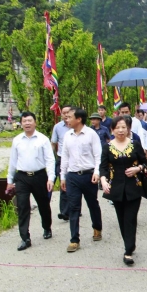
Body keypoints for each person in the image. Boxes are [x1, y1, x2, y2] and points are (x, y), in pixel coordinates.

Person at [100, 116, 147, 266]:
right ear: (112, 130)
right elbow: (103, 167)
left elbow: (144, 162)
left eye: (124, 127)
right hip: (116, 189)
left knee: (130, 218)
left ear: (128, 129)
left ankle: (128, 251)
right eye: (117, 128)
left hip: (134, 187)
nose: (121, 130)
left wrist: (138, 168)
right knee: (121, 219)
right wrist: (103, 180)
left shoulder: (135, 144)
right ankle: (130, 243)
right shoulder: (107, 147)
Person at [6, 112, 55, 251]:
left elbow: (50, 160)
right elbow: (12, 161)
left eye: (29, 120)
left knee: (43, 204)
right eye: (24, 121)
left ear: (35, 123)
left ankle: (47, 227)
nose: (27, 123)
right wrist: (10, 180)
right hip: (22, 177)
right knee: (22, 206)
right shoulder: (17, 140)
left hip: (39, 176)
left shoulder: (43, 139)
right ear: (21, 123)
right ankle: (25, 238)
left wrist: (51, 178)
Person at [60, 107, 103, 252]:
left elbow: (98, 155)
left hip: (88, 175)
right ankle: (74, 239)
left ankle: (97, 227)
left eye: (70, 117)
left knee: (92, 204)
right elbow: (65, 156)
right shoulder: (67, 136)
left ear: (78, 119)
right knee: (74, 207)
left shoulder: (91, 134)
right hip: (72, 176)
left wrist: (97, 172)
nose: (67, 119)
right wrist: (63, 176)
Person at [51, 105, 72, 219]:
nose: (66, 115)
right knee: (63, 185)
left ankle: (74, 208)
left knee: (73, 185)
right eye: (63, 113)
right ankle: (64, 211)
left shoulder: (77, 126)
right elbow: (53, 143)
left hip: (74, 160)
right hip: (61, 158)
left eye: (68, 112)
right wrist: (51, 158)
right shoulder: (57, 127)